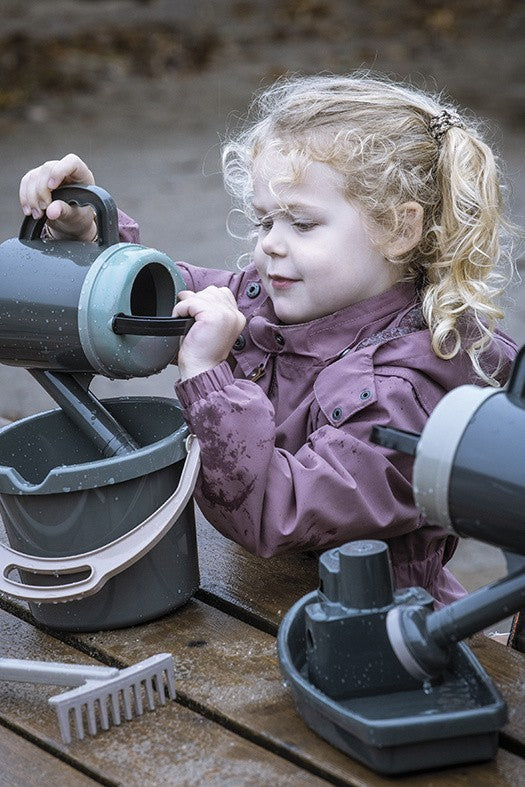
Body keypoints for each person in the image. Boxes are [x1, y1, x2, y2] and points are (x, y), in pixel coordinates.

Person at [19, 73, 519, 607]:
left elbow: (276, 512)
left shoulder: (406, 391)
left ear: (399, 230)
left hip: (372, 624)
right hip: (270, 594)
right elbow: (155, 301)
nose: (271, 246)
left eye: (301, 224)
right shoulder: (273, 299)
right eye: (264, 221)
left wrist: (207, 376)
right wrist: (93, 236)